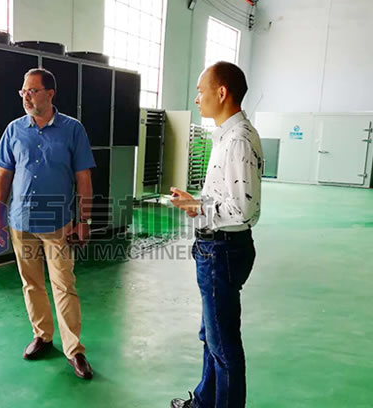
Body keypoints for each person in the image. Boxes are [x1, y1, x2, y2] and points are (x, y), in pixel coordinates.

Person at [169, 62, 263, 408]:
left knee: (223, 346)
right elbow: (228, 197)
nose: (197, 99)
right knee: (211, 336)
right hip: (217, 248)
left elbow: (243, 210)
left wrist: (197, 207)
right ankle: (204, 401)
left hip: (222, 250)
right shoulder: (227, 136)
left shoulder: (238, 140)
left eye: (201, 91)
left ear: (221, 93)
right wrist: (197, 204)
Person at [0, 68, 96, 379]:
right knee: (31, 283)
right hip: (20, 221)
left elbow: (83, 178)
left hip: (58, 223)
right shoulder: (14, 130)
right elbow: (3, 175)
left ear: (50, 94)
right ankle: (42, 335)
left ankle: (74, 349)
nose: (26, 96)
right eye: (23, 91)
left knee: (64, 284)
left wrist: (84, 220)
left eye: (32, 91)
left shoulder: (72, 130)